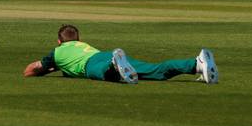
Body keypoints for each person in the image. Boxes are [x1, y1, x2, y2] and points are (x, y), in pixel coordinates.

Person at [23, 25, 219, 84]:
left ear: (59, 41)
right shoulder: (83, 45)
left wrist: (46, 69)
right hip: (105, 54)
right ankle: (195, 64)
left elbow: (30, 70)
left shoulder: (57, 52)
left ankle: (115, 67)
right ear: (78, 38)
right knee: (156, 70)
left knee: (104, 73)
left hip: (93, 64)